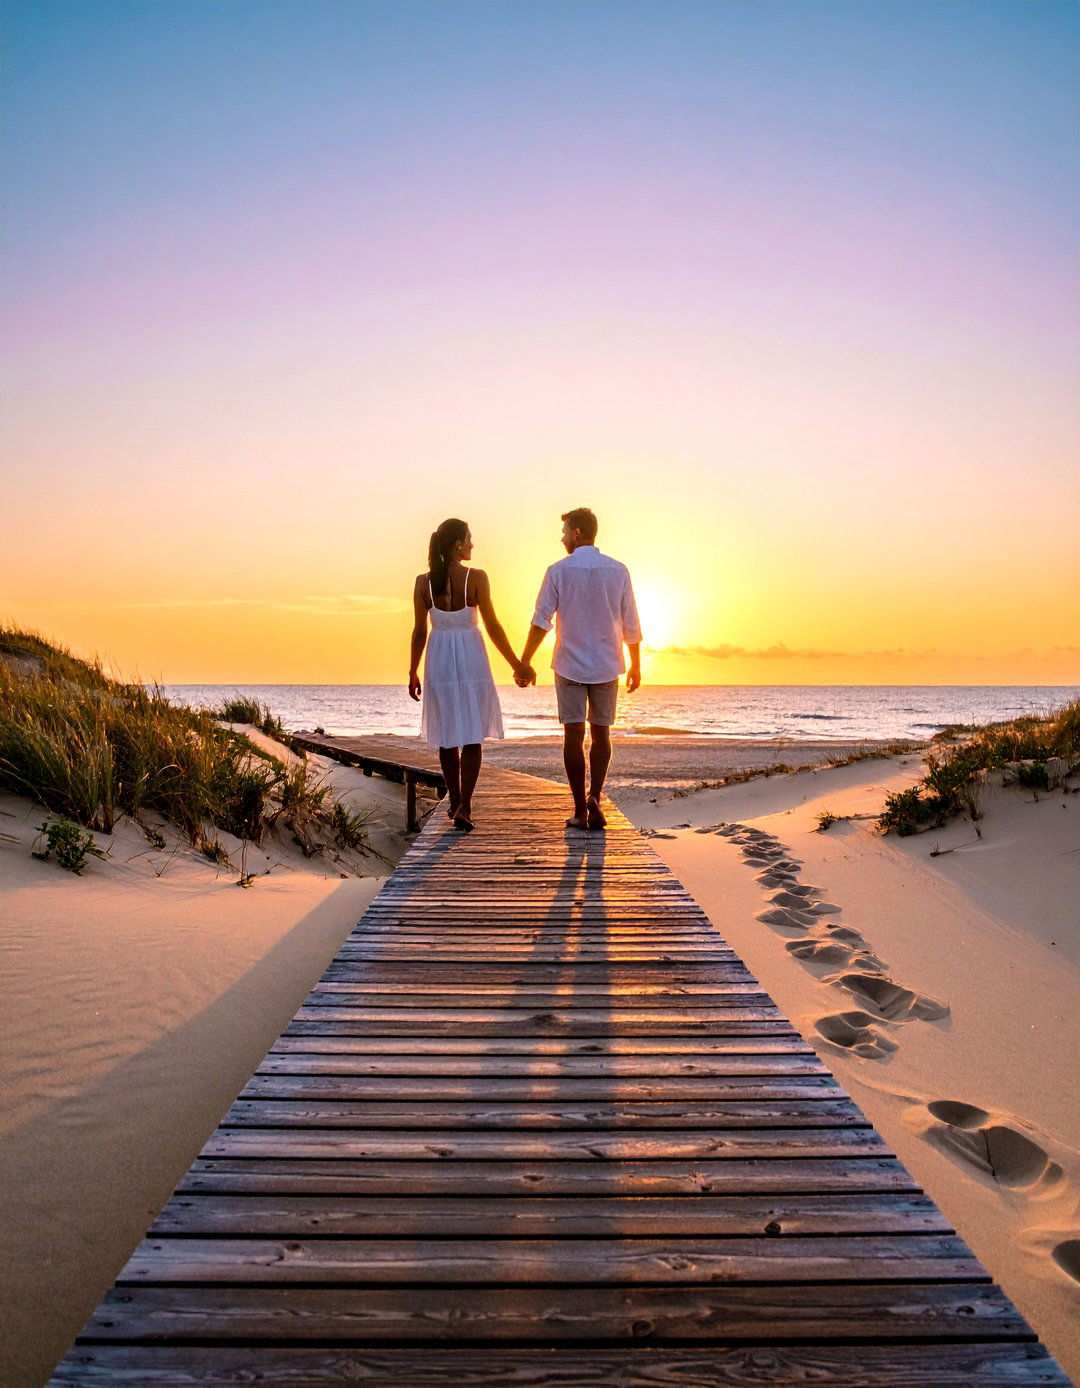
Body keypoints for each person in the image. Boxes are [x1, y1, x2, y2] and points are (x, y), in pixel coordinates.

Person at [517, 508, 641, 830]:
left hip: (570, 664)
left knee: (573, 736)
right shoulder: (618, 571)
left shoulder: (558, 571)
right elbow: (631, 622)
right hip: (606, 663)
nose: (561, 538)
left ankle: (579, 811)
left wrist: (525, 660)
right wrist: (636, 665)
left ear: (576, 533)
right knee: (601, 734)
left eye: (564, 532)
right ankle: (595, 796)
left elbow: (541, 620)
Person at [409, 518, 532, 831]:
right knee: (472, 734)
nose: (473, 544)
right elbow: (492, 626)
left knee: (447, 734)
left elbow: (419, 632)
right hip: (471, 655)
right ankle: (465, 804)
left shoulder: (423, 583)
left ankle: (454, 800)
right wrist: (516, 663)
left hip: (439, 657)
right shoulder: (476, 578)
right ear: (457, 544)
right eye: (469, 539)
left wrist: (412, 670)